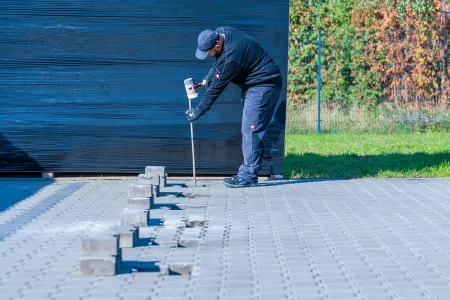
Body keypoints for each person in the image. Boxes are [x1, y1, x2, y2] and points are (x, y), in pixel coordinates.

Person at [186, 26, 282, 188]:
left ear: (217, 45)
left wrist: (198, 111)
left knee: (251, 129)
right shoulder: (223, 31)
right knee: (251, 129)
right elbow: (219, 64)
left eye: (208, 52)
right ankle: (249, 171)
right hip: (255, 85)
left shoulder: (231, 56)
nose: (208, 55)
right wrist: (206, 80)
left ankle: (248, 176)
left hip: (264, 85)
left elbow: (215, 90)